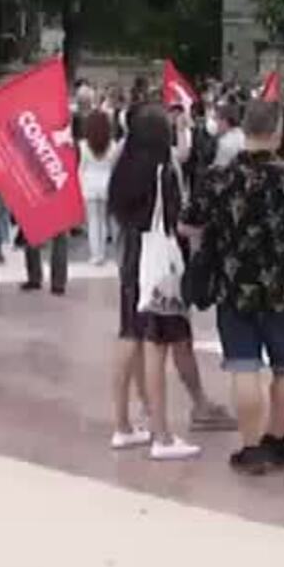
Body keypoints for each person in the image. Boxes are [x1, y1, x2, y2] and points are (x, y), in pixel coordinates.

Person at [179, 100, 284, 477]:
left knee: (243, 366)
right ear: (277, 132)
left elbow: (189, 224)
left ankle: (249, 447)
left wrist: (217, 239)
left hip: (234, 285)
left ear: (243, 130)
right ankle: (276, 438)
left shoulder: (218, 178)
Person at [105, 105, 205, 461]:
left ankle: (122, 424)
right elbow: (177, 221)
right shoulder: (162, 172)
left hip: (132, 256)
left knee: (129, 334)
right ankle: (162, 433)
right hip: (160, 263)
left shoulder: (125, 166)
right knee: (156, 344)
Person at [79, 109, 118, 266]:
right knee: (109, 221)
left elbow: (81, 168)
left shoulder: (83, 146)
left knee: (93, 222)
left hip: (89, 185)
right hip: (108, 184)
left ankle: (97, 255)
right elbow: (114, 166)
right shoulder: (113, 145)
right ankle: (114, 253)